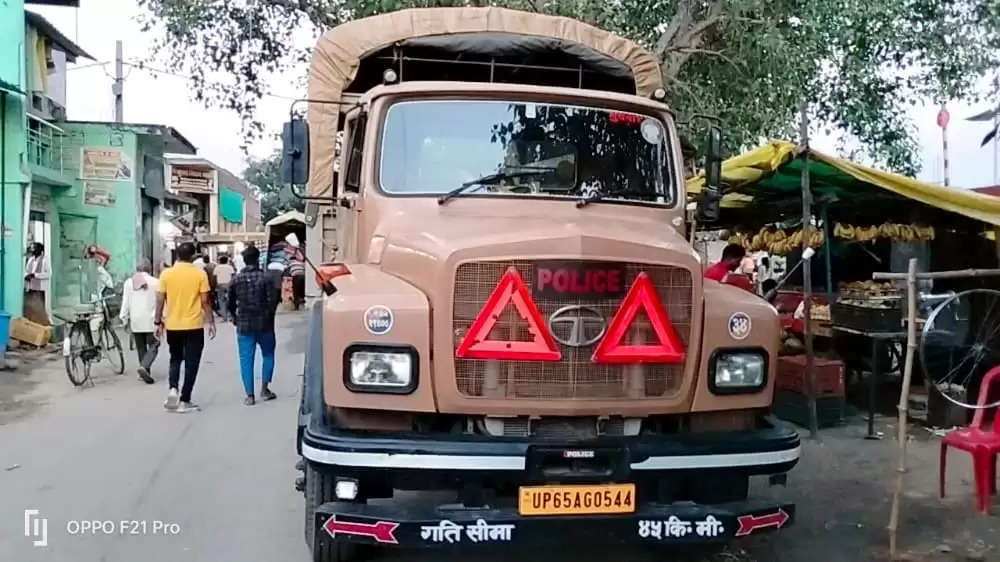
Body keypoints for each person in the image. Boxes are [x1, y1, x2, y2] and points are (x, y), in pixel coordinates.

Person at [155, 242, 216, 413]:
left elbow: (160, 300)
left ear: (177, 256)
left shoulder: (166, 274)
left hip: (173, 325)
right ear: (192, 256)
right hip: (194, 325)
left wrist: (157, 322)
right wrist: (211, 321)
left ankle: (173, 389)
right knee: (192, 363)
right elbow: (205, 301)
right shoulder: (199, 274)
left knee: (175, 358)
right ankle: (185, 399)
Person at [228, 245, 280, 405]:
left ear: (244, 261)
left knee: (246, 359)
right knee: (268, 355)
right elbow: (273, 300)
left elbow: (230, 303)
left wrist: (234, 318)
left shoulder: (235, 280)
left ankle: (249, 396)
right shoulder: (267, 278)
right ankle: (265, 389)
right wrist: (269, 316)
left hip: (244, 325)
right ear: (258, 259)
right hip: (265, 324)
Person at [119, 259, 160, 384]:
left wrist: (123, 318)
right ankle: (144, 366)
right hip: (151, 319)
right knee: (154, 344)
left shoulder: (128, 283)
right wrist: (162, 318)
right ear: (149, 269)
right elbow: (160, 302)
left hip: (136, 320)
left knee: (141, 346)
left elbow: (125, 302)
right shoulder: (156, 282)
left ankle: (144, 370)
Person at [23, 242, 50, 325]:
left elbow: (48, 274)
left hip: (40, 288)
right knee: (30, 308)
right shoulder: (31, 259)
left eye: (34, 248)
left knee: (39, 308)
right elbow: (26, 271)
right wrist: (27, 276)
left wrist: (35, 275)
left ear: (39, 250)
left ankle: (41, 324)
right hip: (30, 287)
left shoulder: (45, 260)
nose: (32, 250)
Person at [214, 255, 236, 321]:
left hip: (220, 285)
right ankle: (231, 316)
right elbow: (233, 276)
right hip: (229, 285)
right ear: (227, 261)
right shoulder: (230, 267)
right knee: (230, 300)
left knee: (221, 301)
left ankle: (224, 317)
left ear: (220, 261)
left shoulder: (217, 267)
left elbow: (215, 277)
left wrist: (215, 285)